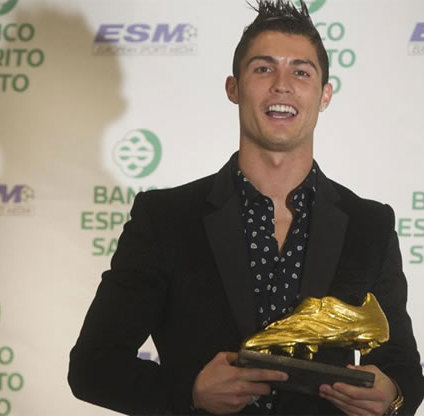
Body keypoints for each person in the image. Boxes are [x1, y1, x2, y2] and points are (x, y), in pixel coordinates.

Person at [68, 0, 424, 414]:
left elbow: (402, 366)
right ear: (233, 88)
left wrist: (393, 397)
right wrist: (190, 392)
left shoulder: (370, 224)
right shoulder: (165, 219)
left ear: (324, 94)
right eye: (263, 68)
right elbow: (93, 366)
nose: (282, 84)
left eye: (301, 71)